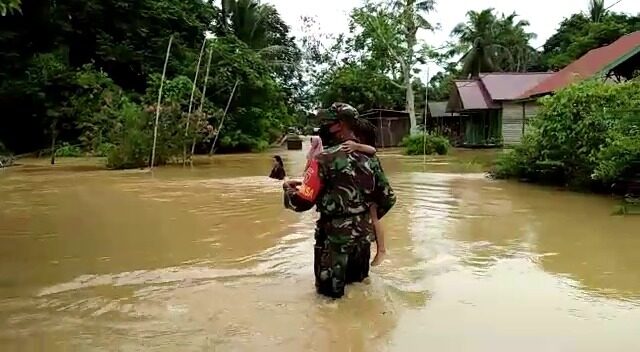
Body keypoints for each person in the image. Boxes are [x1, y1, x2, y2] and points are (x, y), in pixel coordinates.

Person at [282, 102, 396, 298]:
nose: (323, 128)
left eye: (327, 122)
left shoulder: (322, 159)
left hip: (333, 241)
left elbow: (303, 202)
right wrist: (363, 217)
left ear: (340, 125)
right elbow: (388, 198)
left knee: (329, 299)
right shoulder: (369, 156)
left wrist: (287, 190)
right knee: (360, 291)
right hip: (362, 239)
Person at [340, 121, 386, 266]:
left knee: (374, 216)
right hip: (362, 185)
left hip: (369, 186)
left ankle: (382, 250)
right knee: (370, 217)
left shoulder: (365, 149)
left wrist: (356, 146)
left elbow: (373, 150)